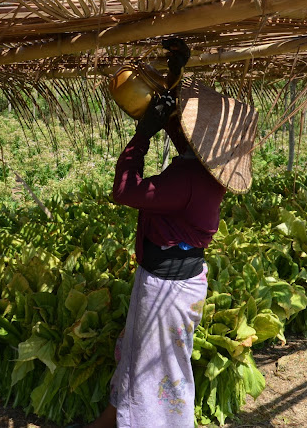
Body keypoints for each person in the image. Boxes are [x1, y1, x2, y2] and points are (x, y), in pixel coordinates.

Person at [86, 39, 258, 427]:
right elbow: (181, 134)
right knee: (144, 364)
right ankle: (114, 420)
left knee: (152, 369)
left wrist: (141, 136)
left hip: (166, 287)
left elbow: (125, 191)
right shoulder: (206, 168)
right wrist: (176, 73)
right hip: (178, 281)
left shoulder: (189, 179)